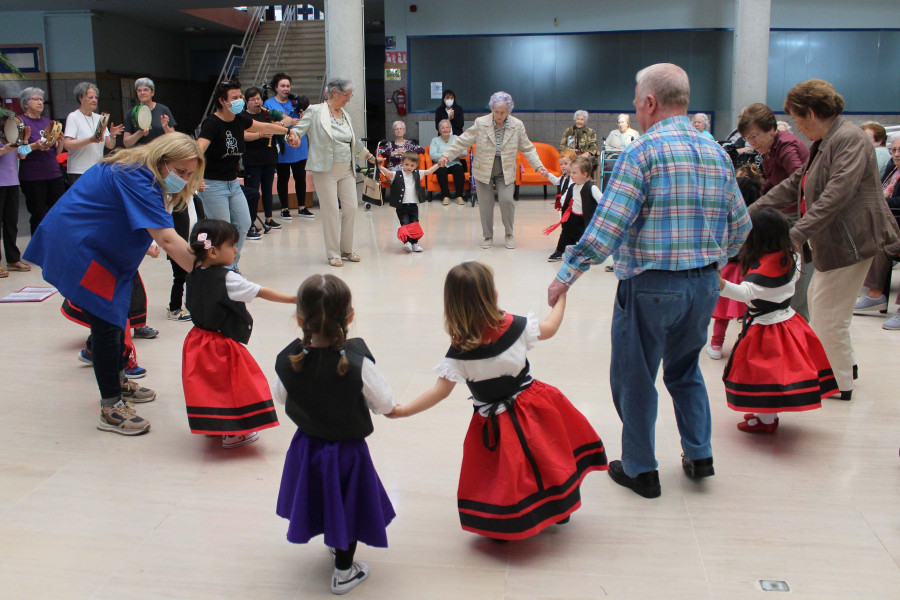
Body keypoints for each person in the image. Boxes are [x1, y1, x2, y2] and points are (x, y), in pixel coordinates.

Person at [547, 63, 751, 499]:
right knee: (685, 370)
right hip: (703, 287)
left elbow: (604, 230)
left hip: (651, 287)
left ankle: (641, 469)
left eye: (637, 102)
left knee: (635, 376)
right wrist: (711, 259)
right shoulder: (716, 152)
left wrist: (566, 275)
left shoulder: (640, 154)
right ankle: (700, 455)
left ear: (651, 103)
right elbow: (741, 227)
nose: (636, 109)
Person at [387, 262, 608, 540]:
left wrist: (404, 410)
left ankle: (504, 521)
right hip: (535, 406)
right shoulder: (516, 326)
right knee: (547, 456)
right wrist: (561, 297)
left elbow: (440, 392)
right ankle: (559, 507)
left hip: (494, 422)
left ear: (452, 305)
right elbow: (550, 327)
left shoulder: (458, 353)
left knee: (505, 472)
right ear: (492, 294)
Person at [23, 133, 204, 435]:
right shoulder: (136, 176)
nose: (183, 179)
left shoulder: (140, 170)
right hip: (82, 249)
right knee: (107, 323)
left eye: (189, 174)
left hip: (103, 250)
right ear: (161, 161)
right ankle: (110, 408)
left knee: (117, 317)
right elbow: (168, 239)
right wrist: (209, 274)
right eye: (180, 171)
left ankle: (117, 379)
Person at [751, 78, 900, 401]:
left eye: (798, 117)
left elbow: (836, 195)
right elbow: (796, 183)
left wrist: (795, 234)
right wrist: (750, 211)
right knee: (829, 310)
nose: (798, 127)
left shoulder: (848, 139)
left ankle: (839, 382)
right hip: (839, 240)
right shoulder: (828, 140)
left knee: (829, 315)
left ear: (811, 112)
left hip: (852, 241)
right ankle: (844, 368)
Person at [274, 273, 396, 595]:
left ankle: (333, 543)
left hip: (308, 447)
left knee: (322, 497)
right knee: (349, 504)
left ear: (300, 318)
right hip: (347, 455)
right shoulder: (357, 363)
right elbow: (384, 403)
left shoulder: (290, 361)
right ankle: (344, 571)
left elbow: (283, 397)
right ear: (350, 317)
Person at [719, 208, 836, 433]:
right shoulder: (792, 257)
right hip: (788, 321)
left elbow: (746, 293)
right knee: (774, 372)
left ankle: (766, 420)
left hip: (767, 328)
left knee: (766, 374)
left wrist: (719, 283)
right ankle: (765, 415)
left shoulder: (766, 268)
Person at [182, 219, 294, 449]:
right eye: (232, 245)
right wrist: (294, 299)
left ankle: (212, 423)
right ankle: (235, 432)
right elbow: (260, 292)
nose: (236, 249)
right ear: (213, 251)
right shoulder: (228, 279)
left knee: (206, 385)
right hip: (221, 345)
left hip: (196, 340)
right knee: (235, 385)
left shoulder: (193, 274)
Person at [196, 80, 299, 268]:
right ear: (222, 101)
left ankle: (230, 265)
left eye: (240, 97)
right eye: (234, 98)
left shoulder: (239, 120)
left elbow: (265, 127)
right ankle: (220, 269)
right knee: (222, 230)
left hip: (232, 184)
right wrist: (196, 176)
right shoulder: (212, 124)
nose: (239, 101)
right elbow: (198, 150)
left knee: (243, 224)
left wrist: (288, 132)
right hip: (212, 185)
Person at [437, 91, 547, 250]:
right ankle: (487, 236)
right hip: (484, 169)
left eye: (503, 112)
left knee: (507, 200)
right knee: (486, 204)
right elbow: (462, 141)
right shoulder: (481, 123)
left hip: (505, 169)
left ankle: (509, 234)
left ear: (509, 110)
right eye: (496, 111)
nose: (499, 115)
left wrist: (539, 166)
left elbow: (528, 148)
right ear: (492, 109)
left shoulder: (517, 125)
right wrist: (446, 155)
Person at [289, 77, 376, 267]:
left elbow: (354, 142)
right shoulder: (315, 111)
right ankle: (333, 253)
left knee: (352, 207)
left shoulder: (345, 114)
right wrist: (293, 137)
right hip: (325, 169)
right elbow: (298, 130)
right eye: (347, 95)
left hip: (346, 168)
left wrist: (370, 156)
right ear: (334, 92)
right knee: (330, 211)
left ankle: (347, 249)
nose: (349, 99)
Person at [737, 103, 812, 320]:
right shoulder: (771, 148)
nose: (752, 143)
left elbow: (799, 180)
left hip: (796, 218)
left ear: (771, 129)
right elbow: (773, 179)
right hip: (781, 216)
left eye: (755, 136)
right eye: (748, 138)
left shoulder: (786, 146)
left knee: (793, 280)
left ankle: (795, 326)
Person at [853, 136, 900, 329]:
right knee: (879, 241)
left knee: (886, 242)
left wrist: (877, 203)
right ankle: (875, 294)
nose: (897, 154)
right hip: (892, 223)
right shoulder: (893, 170)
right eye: (894, 150)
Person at [264, 73, 313, 220]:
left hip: (299, 143)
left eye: (288, 86)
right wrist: (288, 121)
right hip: (281, 145)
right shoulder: (269, 104)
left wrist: (304, 115)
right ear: (276, 88)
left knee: (300, 177)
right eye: (282, 86)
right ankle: (284, 208)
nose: (286, 89)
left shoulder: (297, 101)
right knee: (283, 178)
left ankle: (302, 207)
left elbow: (308, 119)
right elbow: (269, 124)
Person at [17, 87, 66, 235]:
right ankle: (37, 250)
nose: (40, 102)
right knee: (38, 214)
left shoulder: (48, 122)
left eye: (41, 99)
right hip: (33, 176)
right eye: (35, 99)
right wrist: (34, 146)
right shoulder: (21, 122)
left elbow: (56, 152)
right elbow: (20, 153)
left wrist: (61, 142)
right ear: (25, 103)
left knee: (57, 211)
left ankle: (54, 244)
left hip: (53, 173)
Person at [377, 150, 440, 253]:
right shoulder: (397, 174)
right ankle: (407, 242)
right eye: (406, 164)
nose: (409, 167)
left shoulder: (417, 173)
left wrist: (438, 165)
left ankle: (414, 243)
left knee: (414, 223)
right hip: (401, 206)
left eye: (412, 165)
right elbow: (387, 172)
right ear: (402, 164)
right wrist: (379, 166)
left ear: (416, 165)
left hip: (413, 205)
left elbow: (429, 171)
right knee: (405, 223)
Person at [63, 82, 124, 185]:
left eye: (96, 97)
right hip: (79, 170)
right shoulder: (74, 117)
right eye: (90, 97)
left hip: (97, 168)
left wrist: (112, 135)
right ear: (81, 99)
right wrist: (90, 140)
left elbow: (110, 145)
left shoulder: (100, 118)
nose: (94, 100)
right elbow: (67, 144)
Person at [545, 156, 599, 263]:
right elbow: (566, 198)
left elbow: (602, 201)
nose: (571, 175)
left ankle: (588, 254)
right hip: (573, 216)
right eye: (572, 172)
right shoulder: (574, 186)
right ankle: (559, 251)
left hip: (586, 219)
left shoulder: (591, 187)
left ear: (585, 174)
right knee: (566, 233)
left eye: (574, 173)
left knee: (586, 237)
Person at [243, 86, 281, 231]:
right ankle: (251, 221)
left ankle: (269, 218)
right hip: (252, 159)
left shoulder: (267, 114)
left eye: (258, 99)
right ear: (247, 102)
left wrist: (279, 125)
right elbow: (244, 135)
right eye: (253, 100)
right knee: (253, 191)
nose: (256, 102)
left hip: (269, 157)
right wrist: (261, 134)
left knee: (268, 188)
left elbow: (287, 120)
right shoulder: (243, 116)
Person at [0, 127, 30, 277]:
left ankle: (13, 259)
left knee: (11, 222)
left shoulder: (10, 136)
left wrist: (24, 141)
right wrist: (4, 150)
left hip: (12, 182)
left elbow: (22, 156)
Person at [123, 78, 176, 147]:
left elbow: (174, 138)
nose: (142, 93)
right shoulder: (131, 113)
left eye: (145, 90)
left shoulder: (163, 109)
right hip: (141, 154)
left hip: (160, 152)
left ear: (152, 92)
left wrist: (165, 127)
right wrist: (140, 133)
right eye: (139, 90)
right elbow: (126, 142)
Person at [429, 119, 466, 205]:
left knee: (459, 169)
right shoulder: (435, 140)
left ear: (450, 129)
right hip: (441, 164)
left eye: (447, 127)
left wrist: (445, 156)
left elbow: (464, 152)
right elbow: (433, 155)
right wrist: (452, 153)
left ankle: (459, 196)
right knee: (441, 170)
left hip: (455, 163)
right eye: (442, 128)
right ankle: (446, 196)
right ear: (439, 130)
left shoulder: (456, 138)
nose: (445, 129)